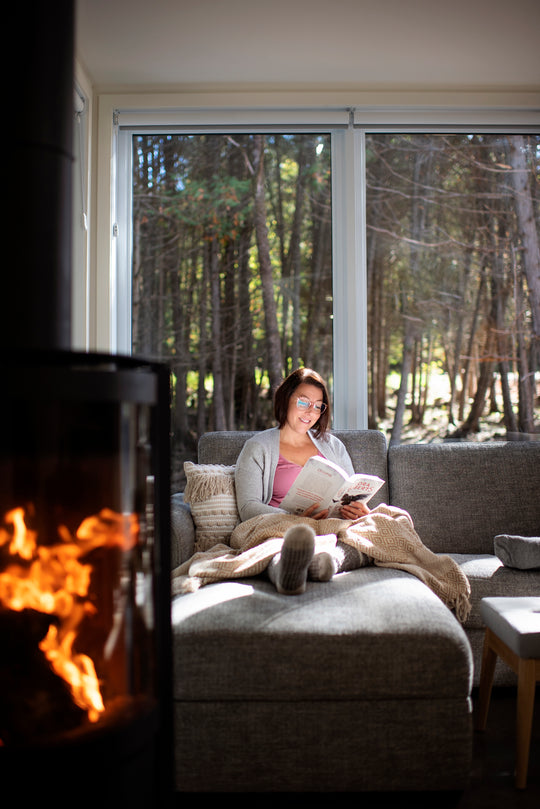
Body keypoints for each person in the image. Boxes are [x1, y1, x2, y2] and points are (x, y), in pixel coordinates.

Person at [235, 368, 370, 595]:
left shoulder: (333, 445)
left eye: (318, 405)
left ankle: (326, 562)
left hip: (332, 527)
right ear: (286, 398)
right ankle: (287, 569)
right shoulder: (257, 447)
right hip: (283, 529)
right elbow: (247, 507)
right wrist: (294, 519)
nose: (311, 411)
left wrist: (359, 510)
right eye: (304, 402)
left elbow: (351, 488)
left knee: (384, 524)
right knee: (278, 546)